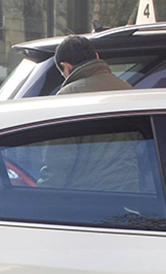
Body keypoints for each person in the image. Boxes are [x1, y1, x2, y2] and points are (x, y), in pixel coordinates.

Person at [36, 35, 139, 191]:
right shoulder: (127, 90)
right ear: (97, 57)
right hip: (129, 192)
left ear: (66, 67)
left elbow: (58, 161)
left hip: (87, 199)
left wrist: (43, 195)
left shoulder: (67, 97)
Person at [54, 35, 133, 95]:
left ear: (66, 67)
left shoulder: (67, 94)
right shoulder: (127, 88)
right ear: (97, 57)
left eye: (62, 74)